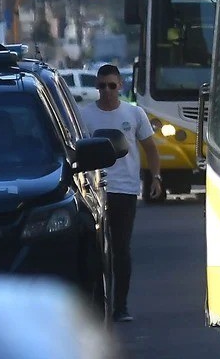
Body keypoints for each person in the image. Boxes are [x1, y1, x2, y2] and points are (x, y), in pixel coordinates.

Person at [77, 64, 159, 322]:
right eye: (101, 86)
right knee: (95, 250)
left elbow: (151, 149)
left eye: (112, 85)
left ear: (120, 86)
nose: (107, 91)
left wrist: (155, 178)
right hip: (93, 190)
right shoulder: (85, 115)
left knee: (121, 249)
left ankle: (120, 306)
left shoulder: (134, 114)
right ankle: (93, 305)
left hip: (125, 190)